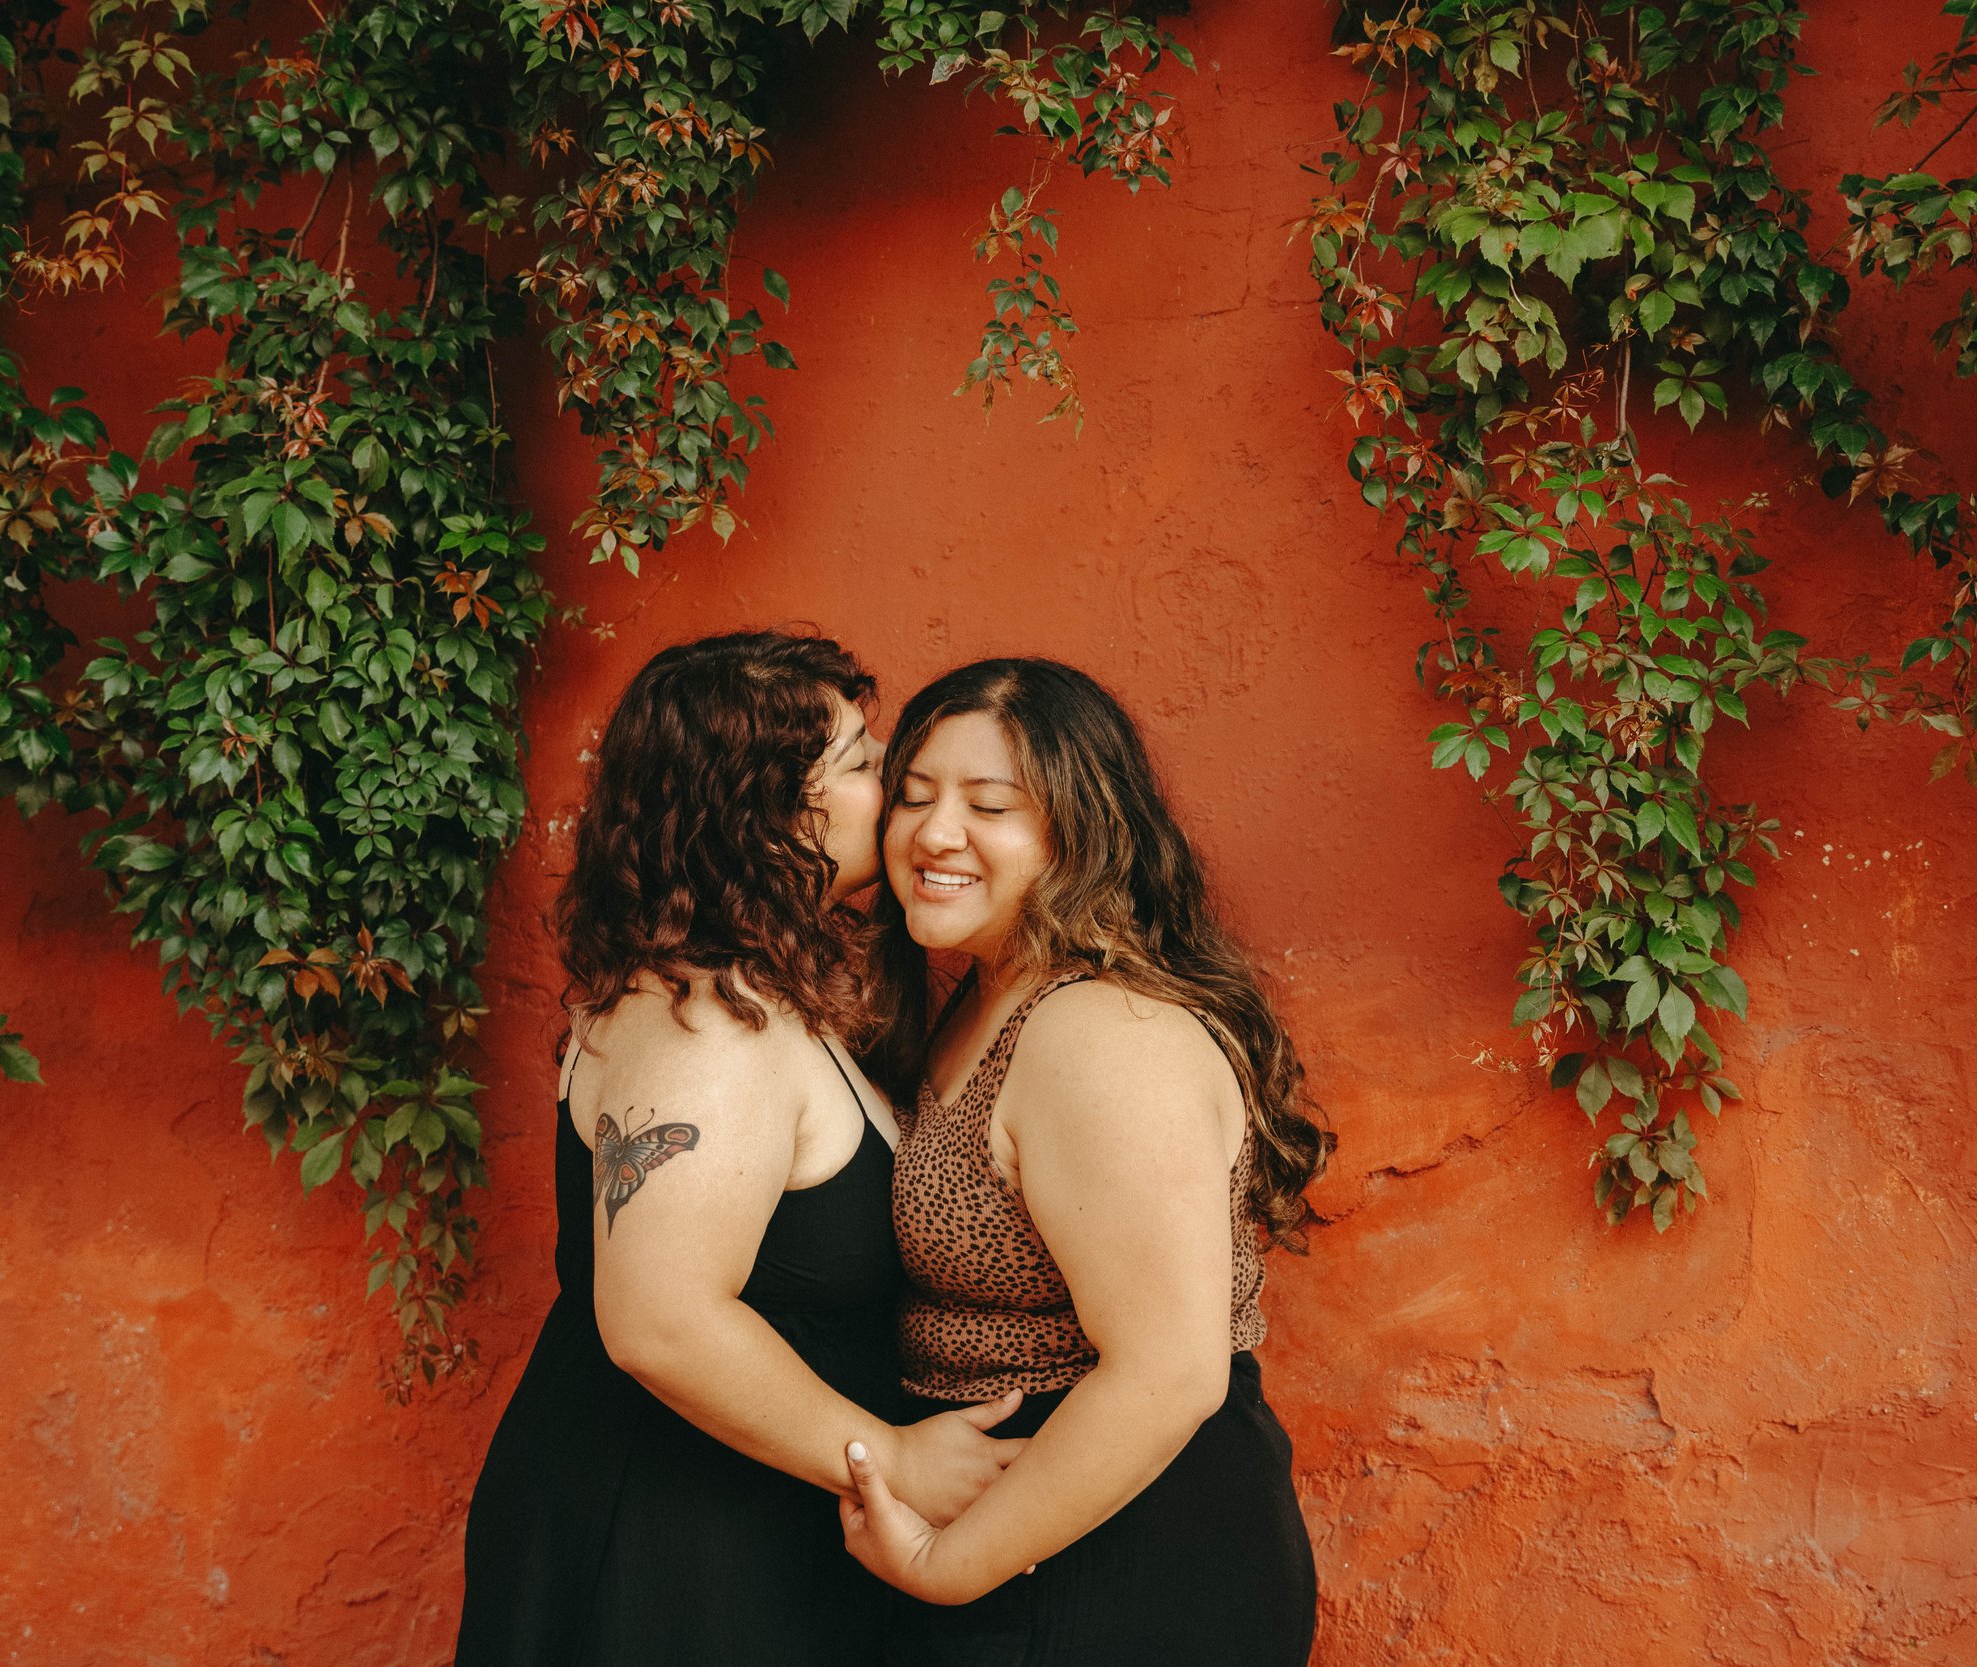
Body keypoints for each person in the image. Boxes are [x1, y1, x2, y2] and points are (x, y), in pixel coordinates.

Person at [454, 631, 1026, 1667]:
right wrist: (890, 1457)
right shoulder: (708, 1025)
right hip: (671, 1542)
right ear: (771, 813)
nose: (892, 778)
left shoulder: (741, 986)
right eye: (860, 761)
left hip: (730, 1513)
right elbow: (658, 1321)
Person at [843, 657, 1327, 1666]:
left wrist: (943, 1563)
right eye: (914, 796)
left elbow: (1169, 1372)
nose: (934, 833)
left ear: (1081, 832)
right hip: (1027, 1531)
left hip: (1122, 1548)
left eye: (989, 806)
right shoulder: (987, 996)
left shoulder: (1101, 1033)